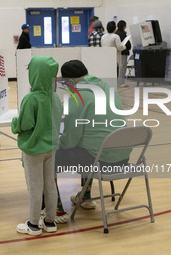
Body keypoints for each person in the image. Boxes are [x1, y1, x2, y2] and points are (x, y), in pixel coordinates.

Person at [54, 60, 132, 215]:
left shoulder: (79, 96)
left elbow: (70, 141)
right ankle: (85, 197)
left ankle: (56, 209)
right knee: (87, 146)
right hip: (123, 158)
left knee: (50, 156)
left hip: (102, 161)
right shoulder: (108, 88)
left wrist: (57, 143)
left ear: (70, 81)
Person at [12, 55, 63, 236]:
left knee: (35, 187)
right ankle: (50, 221)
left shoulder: (30, 99)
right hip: (51, 147)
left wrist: (14, 124)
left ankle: (33, 225)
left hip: (34, 150)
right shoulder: (55, 98)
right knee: (50, 185)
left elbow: (24, 124)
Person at [101, 21, 127, 88]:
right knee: (114, 75)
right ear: (114, 28)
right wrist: (124, 46)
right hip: (114, 59)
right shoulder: (115, 36)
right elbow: (119, 47)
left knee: (107, 75)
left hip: (105, 58)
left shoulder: (103, 36)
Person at [115, 20, 132, 87]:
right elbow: (127, 44)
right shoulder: (122, 34)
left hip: (118, 53)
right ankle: (121, 83)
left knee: (119, 68)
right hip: (123, 53)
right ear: (123, 26)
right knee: (122, 68)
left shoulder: (116, 33)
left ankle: (119, 82)